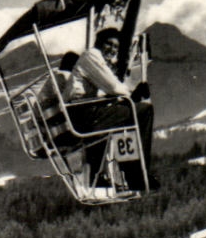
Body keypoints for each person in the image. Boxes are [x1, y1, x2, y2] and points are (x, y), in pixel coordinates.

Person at [62, 28, 155, 191]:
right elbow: (113, 87)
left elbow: (109, 90)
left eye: (115, 47)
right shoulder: (91, 56)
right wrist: (132, 95)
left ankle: (127, 175)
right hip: (80, 113)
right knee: (143, 110)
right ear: (99, 43)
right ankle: (138, 174)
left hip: (83, 112)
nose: (112, 49)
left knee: (123, 116)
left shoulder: (96, 62)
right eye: (108, 44)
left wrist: (130, 95)